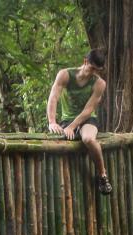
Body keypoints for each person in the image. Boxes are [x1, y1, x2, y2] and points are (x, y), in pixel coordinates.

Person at [47, 49, 111, 195]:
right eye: (92, 68)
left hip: (87, 119)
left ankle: (102, 175)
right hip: (66, 120)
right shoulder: (65, 75)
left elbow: (89, 109)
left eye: (97, 70)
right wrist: (52, 121)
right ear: (85, 61)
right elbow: (53, 97)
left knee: (88, 138)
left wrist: (73, 126)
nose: (93, 72)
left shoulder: (99, 83)